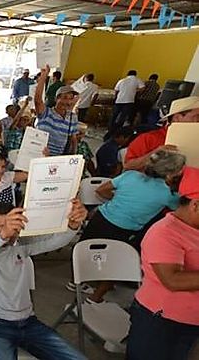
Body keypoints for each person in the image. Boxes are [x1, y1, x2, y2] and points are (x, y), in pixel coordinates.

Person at [0, 202, 88, 360]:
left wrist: (72, 226)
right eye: (3, 226)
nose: (11, 231)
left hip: (29, 323)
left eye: (14, 225)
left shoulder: (21, 244)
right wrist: (2, 234)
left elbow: (54, 241)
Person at [77, 149, 185, 303]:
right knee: (117, 263)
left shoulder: (131, 176)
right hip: (124, 231)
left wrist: (117, 200)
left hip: (100, 219)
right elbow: (179, 210)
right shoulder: (168, 194)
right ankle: (96, 297)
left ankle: (78, 281)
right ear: (171, 174)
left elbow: (101, 190)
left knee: (86, 250)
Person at [126, 166, 199, 359]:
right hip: (161, 321)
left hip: (190, 320)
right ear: (195, 205)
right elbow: (172, 280)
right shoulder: (165, 232)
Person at [124, 96, 199, 171]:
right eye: (197, 117)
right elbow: (128, 165)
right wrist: (155, 154)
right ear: (177, 118)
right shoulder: (149, 138)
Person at [34, 66, 80, 156]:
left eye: (71, 98)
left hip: (56, 161)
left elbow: (73, 139)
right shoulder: (46, 113)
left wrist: (73, 158)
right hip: (39, 156)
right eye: (65, 98)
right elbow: (38, 100)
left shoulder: (72, 117)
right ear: (56, 99)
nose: (68, 102)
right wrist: (44, 75)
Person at [107, 70, 144, 139]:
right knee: (123, 116)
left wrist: (116, 98)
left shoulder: (122, 80)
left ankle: (109, 128)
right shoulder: (137, 80)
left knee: (114, 115)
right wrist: (135, 91)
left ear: (127, 74)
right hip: (129, 101)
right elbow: (142, 88)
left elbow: (116, 90)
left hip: (119, 100)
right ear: (135, 74)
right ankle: (117, 130)